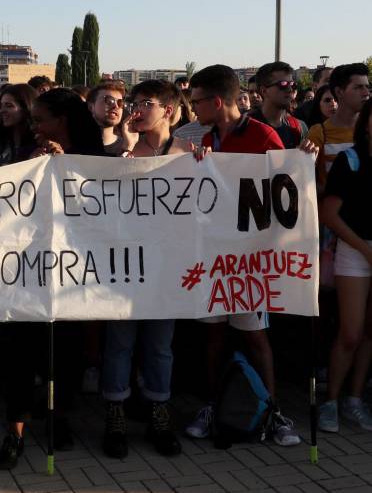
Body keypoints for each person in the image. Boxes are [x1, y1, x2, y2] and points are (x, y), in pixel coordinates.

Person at [184, 64, 313, 447]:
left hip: (249, 260)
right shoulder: (203, 139)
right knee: (213, 338)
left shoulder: (262, 135)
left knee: (256, 338)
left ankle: (271, 411)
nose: (192, 110)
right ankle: (212, 406)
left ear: (216, 101)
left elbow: (284, 190)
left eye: (197, 102)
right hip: (212, 258)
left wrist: (301, 162)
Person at [0, 88, 102, 469]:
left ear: (64, 120)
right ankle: (16, 430)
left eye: (41, 119)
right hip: (29, 275)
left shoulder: (96, 157)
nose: (35, 126)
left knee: (66, 354)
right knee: (20, 351)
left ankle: (60, 418)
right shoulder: (31, 155)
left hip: (75, 276)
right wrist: (36, 167)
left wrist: (68, 165)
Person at [102, 80, 186, 459]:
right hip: (125, 265)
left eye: (145, 103)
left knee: (160, 347)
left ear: (167, 110)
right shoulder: (121, 150)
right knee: (119, 342)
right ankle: (115, 414)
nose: (135, 109)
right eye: (132, 102)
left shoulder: (186, 152)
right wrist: (124, 150)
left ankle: (158, 412)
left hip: (167, 267)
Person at [319, 100, 372, 433]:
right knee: (350, 333)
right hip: (355, 250)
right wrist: (363, 248)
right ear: (367, 123)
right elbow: (329, 215)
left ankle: (354, 400)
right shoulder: (350, 160)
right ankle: (331, 402)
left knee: (370, 332)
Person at [307, 64, 370, 193]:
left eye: (367, 87)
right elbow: (307, 183)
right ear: (339, 92)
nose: (366, 93)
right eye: (358, 87)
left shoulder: (369, 129)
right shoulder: (319, 132)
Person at [248, 62, 308, 149]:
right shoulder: (246, 127)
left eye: (292, 84)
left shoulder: (299, 127)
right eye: (282, 84)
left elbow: (304, 162)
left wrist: (310, 154)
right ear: (264, 91)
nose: (290, 89)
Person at [0, 84, 36, 166]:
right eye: (1, 105)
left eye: (9, 106)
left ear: (26, 107)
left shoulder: (41, 140)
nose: (2, 110)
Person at [86, 80, 136, 156]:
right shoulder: (72, 146)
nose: (115, 106)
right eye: (109, 100)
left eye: (120, 103)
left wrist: (127, 149)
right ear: (91, 107)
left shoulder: (132, 148)